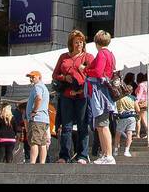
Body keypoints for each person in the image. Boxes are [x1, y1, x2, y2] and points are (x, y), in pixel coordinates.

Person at [52, 30, 90, 164]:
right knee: (66, 126)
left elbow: (93, 73)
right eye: (76, 42)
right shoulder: (64, 57)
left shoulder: (87, 56)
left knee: (82, 125)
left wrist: (82, 70)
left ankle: (82, 155)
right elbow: (55, 74)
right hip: (66, 94)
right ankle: (64, 155)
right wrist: (64, 77)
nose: (79, 44)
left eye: (81, 42)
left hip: (81, 95)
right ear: (71, 43)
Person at [82, 31, 116, 165]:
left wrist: (85, 70)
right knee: (101, 125)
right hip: (104, 92)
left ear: (96, 42)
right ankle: (105, 154)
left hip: (100, 92)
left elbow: (97, 72)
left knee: (102, 125)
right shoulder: (110, 54)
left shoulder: (102, 53)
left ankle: (108, 155)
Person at [26, 71, 51, 165]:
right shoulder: (44, 87)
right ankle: (42, 163)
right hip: (44, 119)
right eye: (30, 77)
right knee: (43, 143)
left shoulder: (38, 87)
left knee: (34, 142)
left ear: (39, 77)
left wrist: (34, 111)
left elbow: (39, 98)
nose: (31, 79)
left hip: (37, 118)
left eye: (33, 77)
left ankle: (32, 163)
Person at [114, 79, 138, 158]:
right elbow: (137, 109)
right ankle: (127, 150)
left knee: (118, 133)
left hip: (122, 117)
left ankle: (116, 150)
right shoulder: (133, 98)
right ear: (131, 91)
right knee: (129, 133)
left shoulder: (119, 98)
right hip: (132, 117)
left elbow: (116, 107)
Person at [135, 70, 149, 141]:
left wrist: (136, 102)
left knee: (141, 118)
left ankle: (147, 132)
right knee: (144, 118)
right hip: (148, 103)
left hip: (141, 103)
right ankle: (142, 133)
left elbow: (139, 95)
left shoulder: (141, 85)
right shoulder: (148, 85)